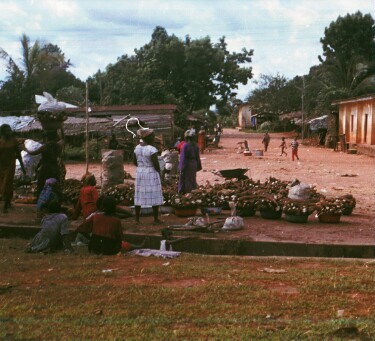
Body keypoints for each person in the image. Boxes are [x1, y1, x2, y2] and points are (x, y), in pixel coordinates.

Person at [77, 196, 145, 255]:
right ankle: (138, 246)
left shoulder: (95, 216)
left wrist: (91, 239)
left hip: (95, 248)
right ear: (114, 207)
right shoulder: (116, 220)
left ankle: (138, 246)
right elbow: (119, 238)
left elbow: (80, 229)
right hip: (110, 250)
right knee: (124, 244)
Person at [133, 128, 164, 225]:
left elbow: (134, 162)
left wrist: (142, 167)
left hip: (140, 172)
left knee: (139, 194)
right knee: (154, 193)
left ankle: (137, 219)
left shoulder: (137, 148)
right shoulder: (152, 149)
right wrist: (160, 173)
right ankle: (155, 219)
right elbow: (156, 164)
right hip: (151, 172)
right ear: (148, 137)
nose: (154, 137)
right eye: (152, 136)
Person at [25, 130, 64, 200]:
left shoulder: (45, 146)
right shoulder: (58, 146)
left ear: (47, 137)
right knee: (55, 183)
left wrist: (25, 149)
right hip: (55, 167)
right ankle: (57, 198)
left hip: (46, 168)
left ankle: (41, 198)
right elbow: (60, 155)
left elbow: (33, 153)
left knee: (41, 183)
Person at [0, 124, 26, 213]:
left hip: (11, 165)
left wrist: (23, 167)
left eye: (9, 130)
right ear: (2, 132)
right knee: (3, 183)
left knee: (7, 182)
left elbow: (18, 155)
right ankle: (7, 201)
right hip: (1, 166)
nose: (9, 132)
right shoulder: (0, 141)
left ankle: (5, 204)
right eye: (6, 130)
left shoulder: (14, 141)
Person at [178, 130, 202, 194]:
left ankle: (187, 192)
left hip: (187, 164)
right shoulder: (196, 145)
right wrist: (198, 166)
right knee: (192, 179)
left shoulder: (185, 146)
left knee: (186, 179)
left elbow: (183, 158)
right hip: (194, 164)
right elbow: (198, 157)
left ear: (187, 137)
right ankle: (193, 191)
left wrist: (181, 168)